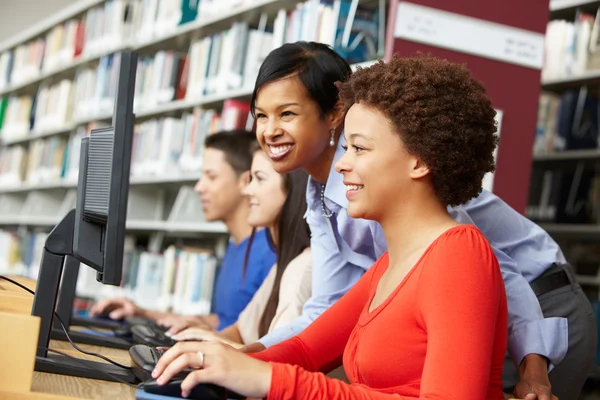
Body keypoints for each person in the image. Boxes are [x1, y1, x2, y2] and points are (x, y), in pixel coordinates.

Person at [242, 41, 594, 400]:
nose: (269, 130)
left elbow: (502, 274)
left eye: (286, 114)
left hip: (543, 302)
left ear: (334, 113)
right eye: (260, 115)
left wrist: (533, 366)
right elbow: (325, 307)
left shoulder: (412, 198)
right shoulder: (325, 195)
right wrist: (242, 359)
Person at [150, 53, 508, 399]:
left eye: (359, 149)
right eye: (345, 148)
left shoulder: (458, 254)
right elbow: (308, 349)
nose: (340, 166)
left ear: (419, 161)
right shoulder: (391, 264)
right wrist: (218, 362)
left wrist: (270, 380)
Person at [90, 130, 276, 331]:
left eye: (211, 177)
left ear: (245, 181)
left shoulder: (270, 251)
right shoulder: (236, 245)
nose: (199, 187)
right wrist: (143, 313)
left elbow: (259, 336)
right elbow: (226, 321)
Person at [167, 143, 312, 347]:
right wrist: (205, 337)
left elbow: (278, 359)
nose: (247, 189)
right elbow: (242, 330)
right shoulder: (284, 263)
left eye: (259, 179)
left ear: (293, 191)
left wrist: (213, 344)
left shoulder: (302, 267)